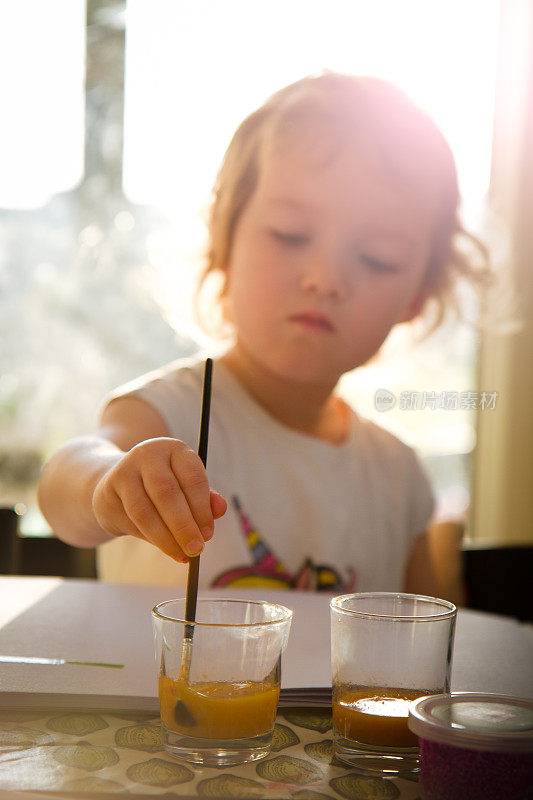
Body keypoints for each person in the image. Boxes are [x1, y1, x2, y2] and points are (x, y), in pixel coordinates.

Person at [38, 72, 490, 594]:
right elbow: (62, 484)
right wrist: (107, 486)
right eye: (290, 235)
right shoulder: (171, 414)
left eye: (377, 259)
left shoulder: (398, 477)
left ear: (415, 298)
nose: (325, 280)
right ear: (225, 241)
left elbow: (426, 650)